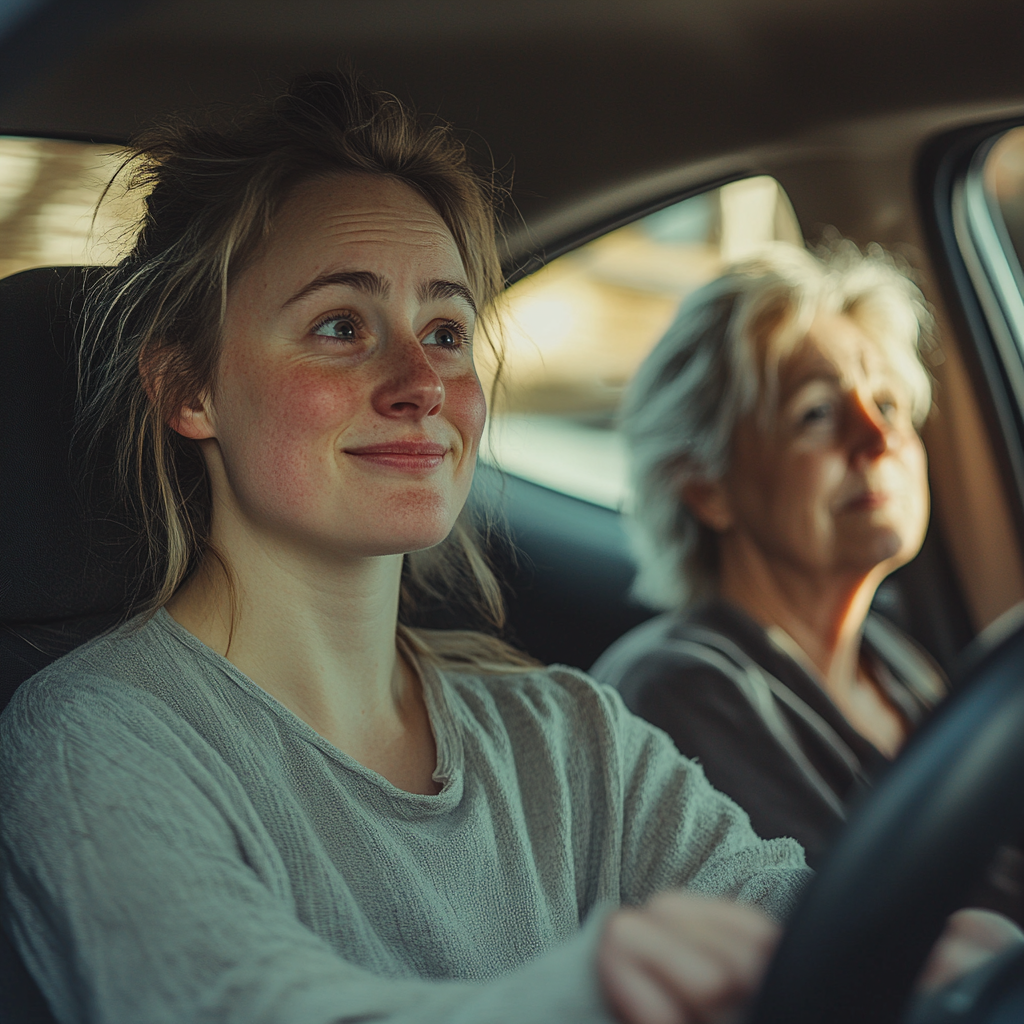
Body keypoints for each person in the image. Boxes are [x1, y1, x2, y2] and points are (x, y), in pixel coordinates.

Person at [0, 76, 1016, 1024]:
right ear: (188, 389)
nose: (419, 382)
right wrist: (572, 994)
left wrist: (928, 945)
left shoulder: (569, 734)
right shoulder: (96, 733)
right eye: (341, 326)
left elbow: (795, 918)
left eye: (444, 331)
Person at [591, 243, 946, 868]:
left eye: (888, 403)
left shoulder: (896, 664)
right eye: (818, 413)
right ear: (707, 488)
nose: (879, 436)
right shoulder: (675, 694)